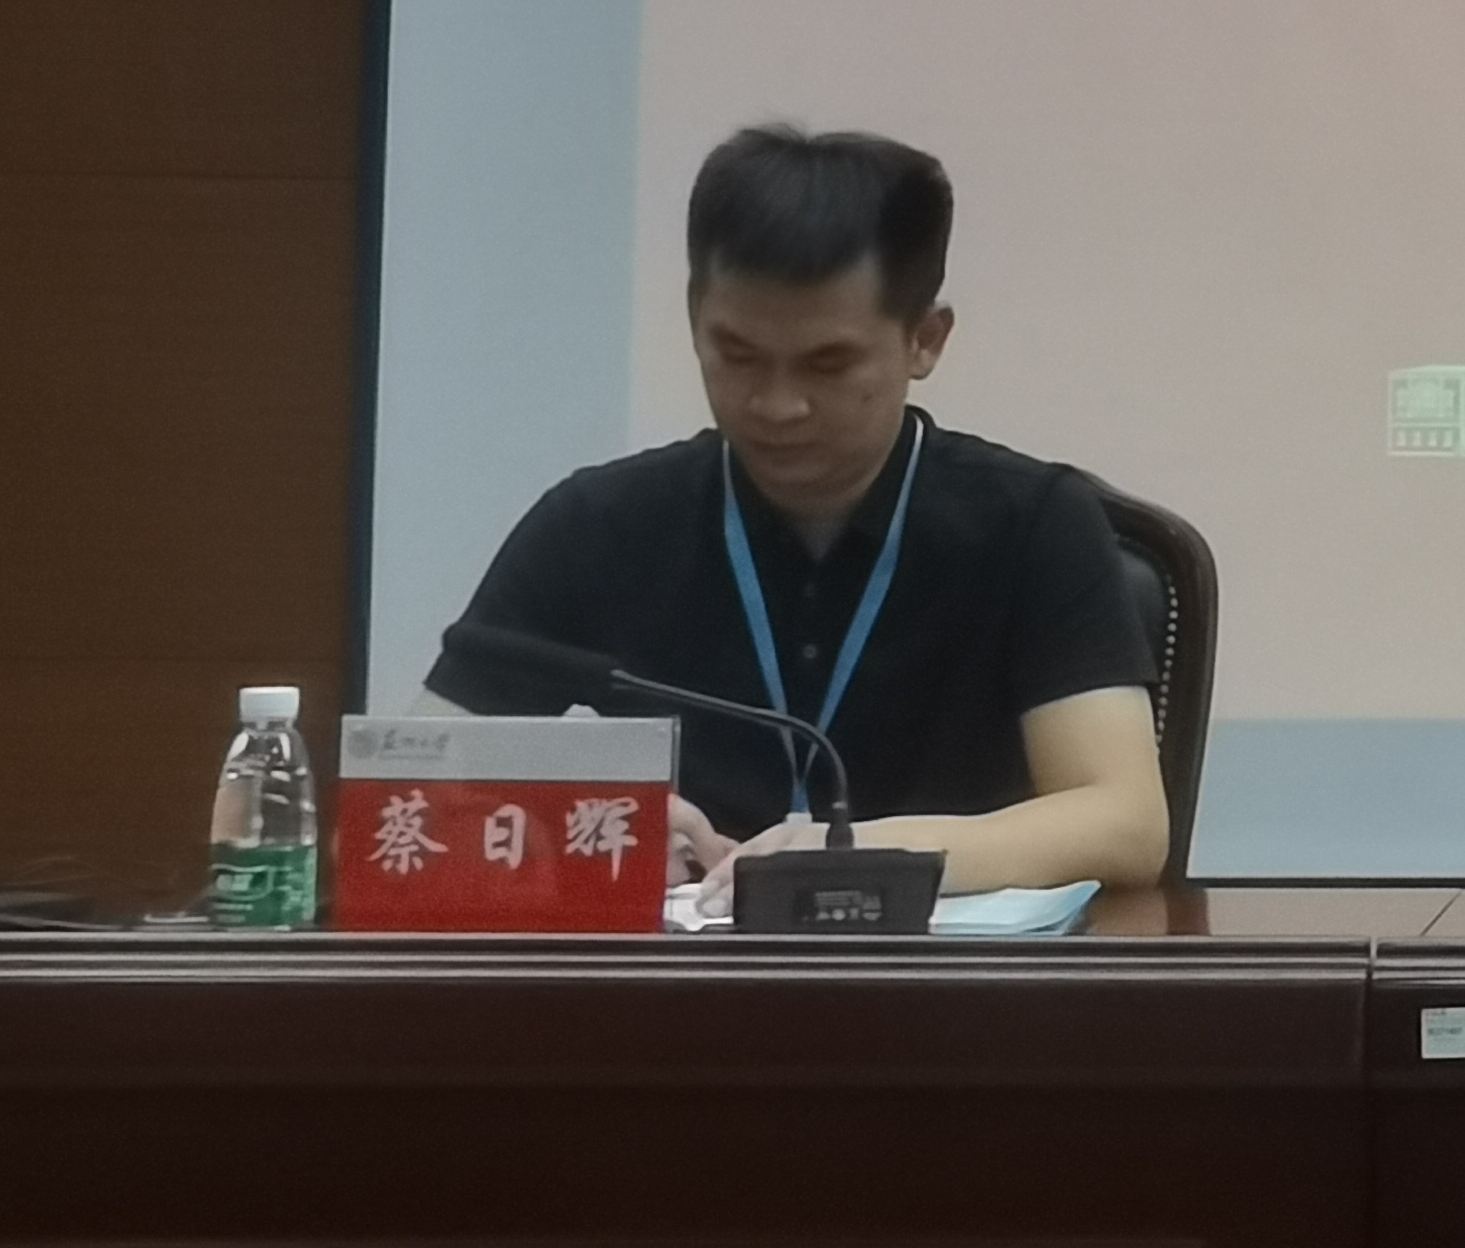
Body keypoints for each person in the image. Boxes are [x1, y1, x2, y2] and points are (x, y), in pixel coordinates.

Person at [425, 125, 1168, 900]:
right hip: (676, 969)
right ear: (694, 317)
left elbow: (1126, 824)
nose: (777, 405)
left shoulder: (1034, 523)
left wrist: (865, 852)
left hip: (946, 972)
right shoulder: (596, 525)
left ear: (924, 339)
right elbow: (405, 795)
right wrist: (590, 820)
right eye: (738, 355)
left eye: (827, 363)